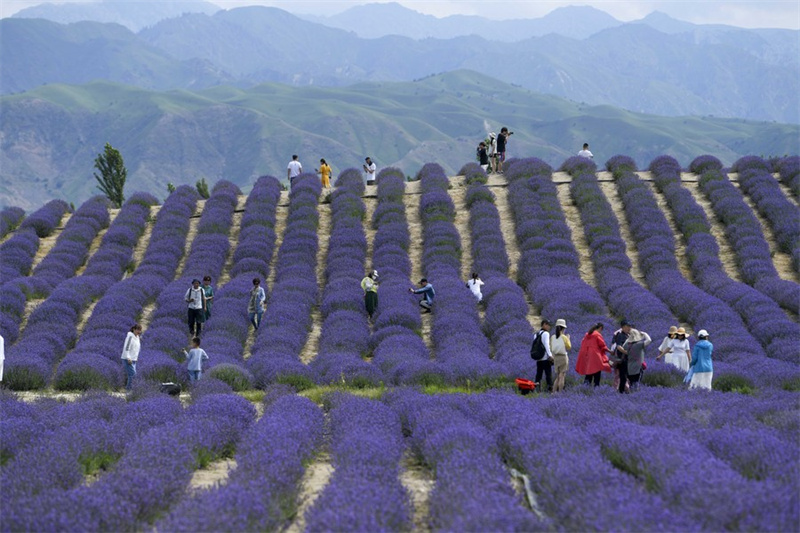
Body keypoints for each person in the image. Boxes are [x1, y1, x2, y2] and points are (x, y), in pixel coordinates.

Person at [575, 322, 612, 387]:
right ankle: (596, 389)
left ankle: (585, 389)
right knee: (597, 373)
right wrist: (610, 351)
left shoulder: (587, 335)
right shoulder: (597, 335)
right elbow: (602, 346)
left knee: (588, 373)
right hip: (595, 356)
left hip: (587, 356)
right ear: (600, 328)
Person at [619, 328, 651, 393]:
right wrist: (644, 334)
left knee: (631, 384)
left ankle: (631, 396)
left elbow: (623, 346)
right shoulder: (639, 345)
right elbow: (649, 340)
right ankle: (635, 396)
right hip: (638, 368)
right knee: (636, 384)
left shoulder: (628, 345)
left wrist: (629, 338)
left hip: (629, 368)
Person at [610, 320, 632, 391]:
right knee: (622, 377)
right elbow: (618, 346)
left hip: (627, 359)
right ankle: (621, 392)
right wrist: (626, 352)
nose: (629, 328)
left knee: (626, 376)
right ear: (622, 327)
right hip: (622, 359)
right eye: (627, 327)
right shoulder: (621, 335)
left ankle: (625, 390)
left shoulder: (627, 335)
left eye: (629, 327)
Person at [532, 320, 554, 392]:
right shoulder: (546, 334)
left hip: (538, 358)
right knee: (548, 375)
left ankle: (537, 390)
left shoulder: (536, 334)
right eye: (548, 325)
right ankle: (549, 390)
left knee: (538, 375)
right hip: (544, 358)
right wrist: (550, 355)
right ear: (544, 324)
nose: (549, 327)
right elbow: (546, 345)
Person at [550, 319, 571, 392]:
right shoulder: (564, 337)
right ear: (563, 328)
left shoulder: (552, 337)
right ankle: (560, 392)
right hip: (563, 357)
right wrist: (568, 338)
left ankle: (553, 392)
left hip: (555, 357)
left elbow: (551, 347)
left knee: (557, 376)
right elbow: (569, 347)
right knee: (562, 376)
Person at [121, 324, 142, 391]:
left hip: (134, 359)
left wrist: (136, 358)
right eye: (137, 330)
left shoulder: (137, 338)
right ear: (134, 329)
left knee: (132, 375)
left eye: (140, 330)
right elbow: (126, 347)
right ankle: (128, 390)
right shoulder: (130, 337)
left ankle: (129, 390)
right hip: (127, 359)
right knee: (133, 375)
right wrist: (128, 357)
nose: (138, 331)